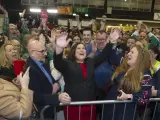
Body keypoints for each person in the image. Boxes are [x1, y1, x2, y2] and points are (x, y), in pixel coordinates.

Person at [53, 32, 113, 120]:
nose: (82, 50)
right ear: (74, 51)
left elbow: (103, 56)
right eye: (79, 48)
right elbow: (57, 62)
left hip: (90, 105)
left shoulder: (90, 62)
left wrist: (111, 42)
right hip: (73, 105)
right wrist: (59, 48)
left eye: (83, 48)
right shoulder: (67, 63)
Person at [103, 45, 152, 120]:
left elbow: (145, 97)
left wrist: (128, 96)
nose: (128, 53)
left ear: (140, 57)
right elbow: (111, 58)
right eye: (129, 51)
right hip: (110, 109)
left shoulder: (145, 74)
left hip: (125, 112)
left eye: (132, 52)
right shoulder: (124, 68)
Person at [26, 37, 71, 119]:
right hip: (41, 112)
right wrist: (57, 97)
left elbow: (51, 80)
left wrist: (56, 84)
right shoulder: (30, 69)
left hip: (49, 109)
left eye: (45, 50)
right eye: (42, 51)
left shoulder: (43, 64)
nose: (46, 54)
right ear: (32, 53)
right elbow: (35, 96)